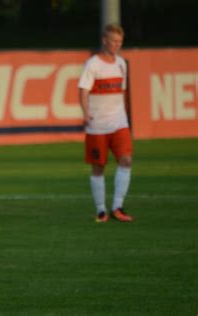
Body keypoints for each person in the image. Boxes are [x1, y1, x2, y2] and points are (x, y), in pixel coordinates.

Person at [78, 23, 133, 223]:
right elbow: (83, 90)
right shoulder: (93, 64)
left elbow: (123, 91)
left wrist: (125, 113)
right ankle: (101, 210)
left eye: (120, 41)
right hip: (97, 125)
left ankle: (117, 207)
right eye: (113, 41)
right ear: (104, 41)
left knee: (126, 160)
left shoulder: (121, 63)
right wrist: (85, 112)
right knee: (98, 167)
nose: (117, 45)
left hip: (119, 123)